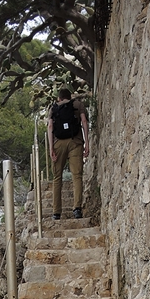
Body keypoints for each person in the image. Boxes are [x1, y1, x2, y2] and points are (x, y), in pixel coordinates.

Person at [47, 87, 89, 220]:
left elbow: (50, 127)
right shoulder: (77, 104)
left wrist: (51, 148)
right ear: (69, 97)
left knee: (57, 177)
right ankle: (77, 209)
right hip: (75, 141)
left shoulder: (53, 108)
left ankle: (56, 212)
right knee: (77, 176)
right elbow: (84, 121)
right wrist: (86, 142)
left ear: (59, 98)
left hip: (58, 143)